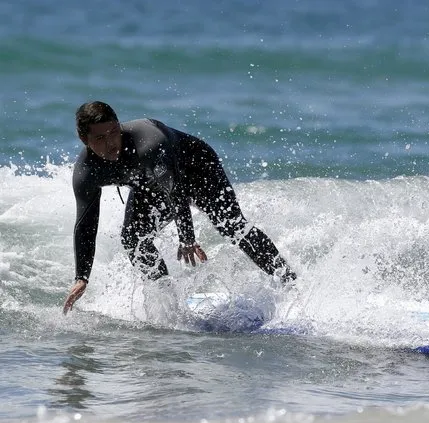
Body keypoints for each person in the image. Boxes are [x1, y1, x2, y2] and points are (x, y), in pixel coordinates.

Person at [63, 101, 296, 314]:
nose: (111, 143)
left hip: (199, 170)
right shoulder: (87, 172)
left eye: (114, 132)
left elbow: (175, 190)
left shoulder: (149, 142)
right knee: (133, 239)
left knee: (232, 227)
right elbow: (86, 222)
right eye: (100, 138)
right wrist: (82, 276)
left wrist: (187, 238)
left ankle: (289, 282)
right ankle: (168, 307)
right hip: (152, 186)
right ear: (84, 140)